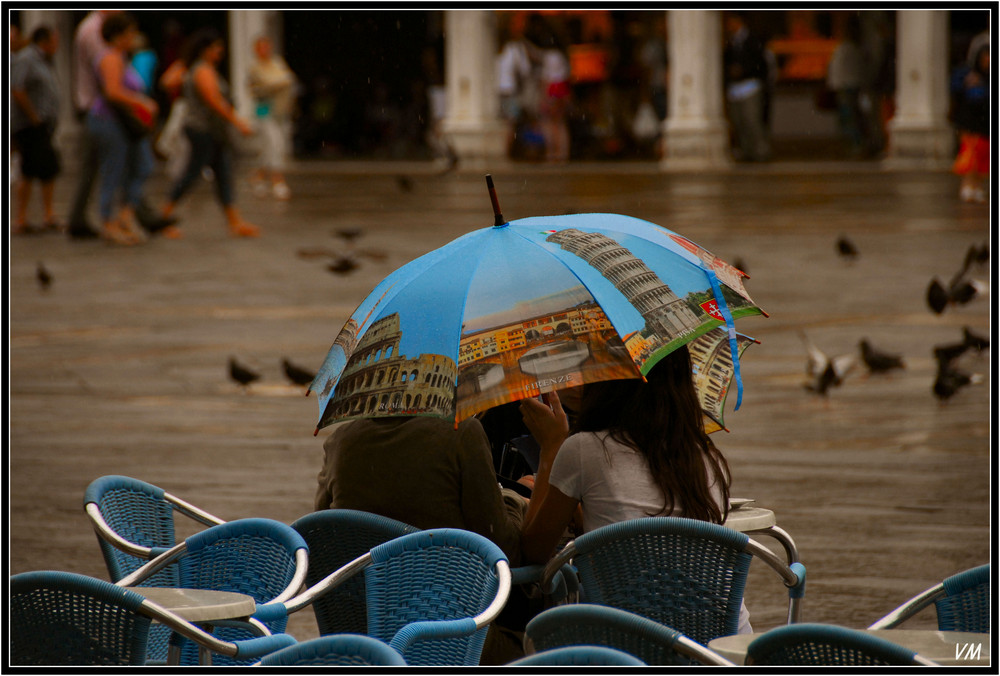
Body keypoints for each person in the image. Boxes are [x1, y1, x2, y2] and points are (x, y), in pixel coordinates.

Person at [518, 345, 752, 633]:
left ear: (608, 380)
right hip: (718, 638)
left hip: (627, 637)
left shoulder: (583, 449)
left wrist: (552, 446)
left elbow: (534, 552)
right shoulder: (705, 456)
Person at [315, 414, 529, 664]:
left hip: (361, 642)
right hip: (453, 638)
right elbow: (506, 550)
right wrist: (514, 500)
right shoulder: (461, 432)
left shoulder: (342, 440)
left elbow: (322, 537)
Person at [159, 28, 258, 238]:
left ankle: (234, 221)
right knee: (192, 173)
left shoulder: (203, 68)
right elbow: (213, 100)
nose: (220, 52)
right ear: (205, 50)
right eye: (216, 48)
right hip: (202, 129)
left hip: (213, 131)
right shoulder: (201, 70)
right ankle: (162, 218)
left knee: (223, 173)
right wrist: (237, 122)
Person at [88, 13, 158, 246]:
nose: (133, 38)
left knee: (142, 165)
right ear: (118, 36)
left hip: (124, 123)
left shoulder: (122, 57)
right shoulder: (110, 58)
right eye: (129, 34)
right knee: (113, 170)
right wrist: (141, 102)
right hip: (109, 121)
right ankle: (108, 221)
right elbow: (113, 91)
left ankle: (126, 214)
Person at [11, 25, 62, 235]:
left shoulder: (44, 59)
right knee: (29, 169)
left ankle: (47, 214)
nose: (57, 45)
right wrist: (33, 117)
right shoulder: (26, 59)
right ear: (45, 41)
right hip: (30, 125)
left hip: (43, 123)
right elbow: (17, 88)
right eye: (55, 40)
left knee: (46, 168)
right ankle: (22, 218)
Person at [247, 35, 295, 200]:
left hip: (279, 110)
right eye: (261, 47)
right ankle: (277, 180)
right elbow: (268, 84)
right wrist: (280, 83)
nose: (265, 50)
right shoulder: (255, 67)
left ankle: (258, 176)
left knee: (274, 145)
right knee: (273, 142)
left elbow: (287, 80)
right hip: (263, 109)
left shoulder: (276, 63)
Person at [723, 12, 770, 162]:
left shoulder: (752, 39)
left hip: (751, 85)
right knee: (739, 121)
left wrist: (744, 70)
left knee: (752, 120)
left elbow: (761, 63)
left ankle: (760, 151)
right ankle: (746, 151)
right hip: (735, 88)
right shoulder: (731, 41)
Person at [951, 43, 990, 203]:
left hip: (985, 124)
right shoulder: (968, 75)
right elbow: (957, 93)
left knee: (983, 157)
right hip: (971, 123)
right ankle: (968, 185)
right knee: (971, 156)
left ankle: (977, 186)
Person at [826, 16, 867, 157]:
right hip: (851, 85)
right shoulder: (854, 48)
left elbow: (836, 69)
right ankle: (856, 146)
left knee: (849, 118)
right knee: (852, 117)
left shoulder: (845, 49)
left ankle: (855, 146)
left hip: (846, 87)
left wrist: (833, 85)